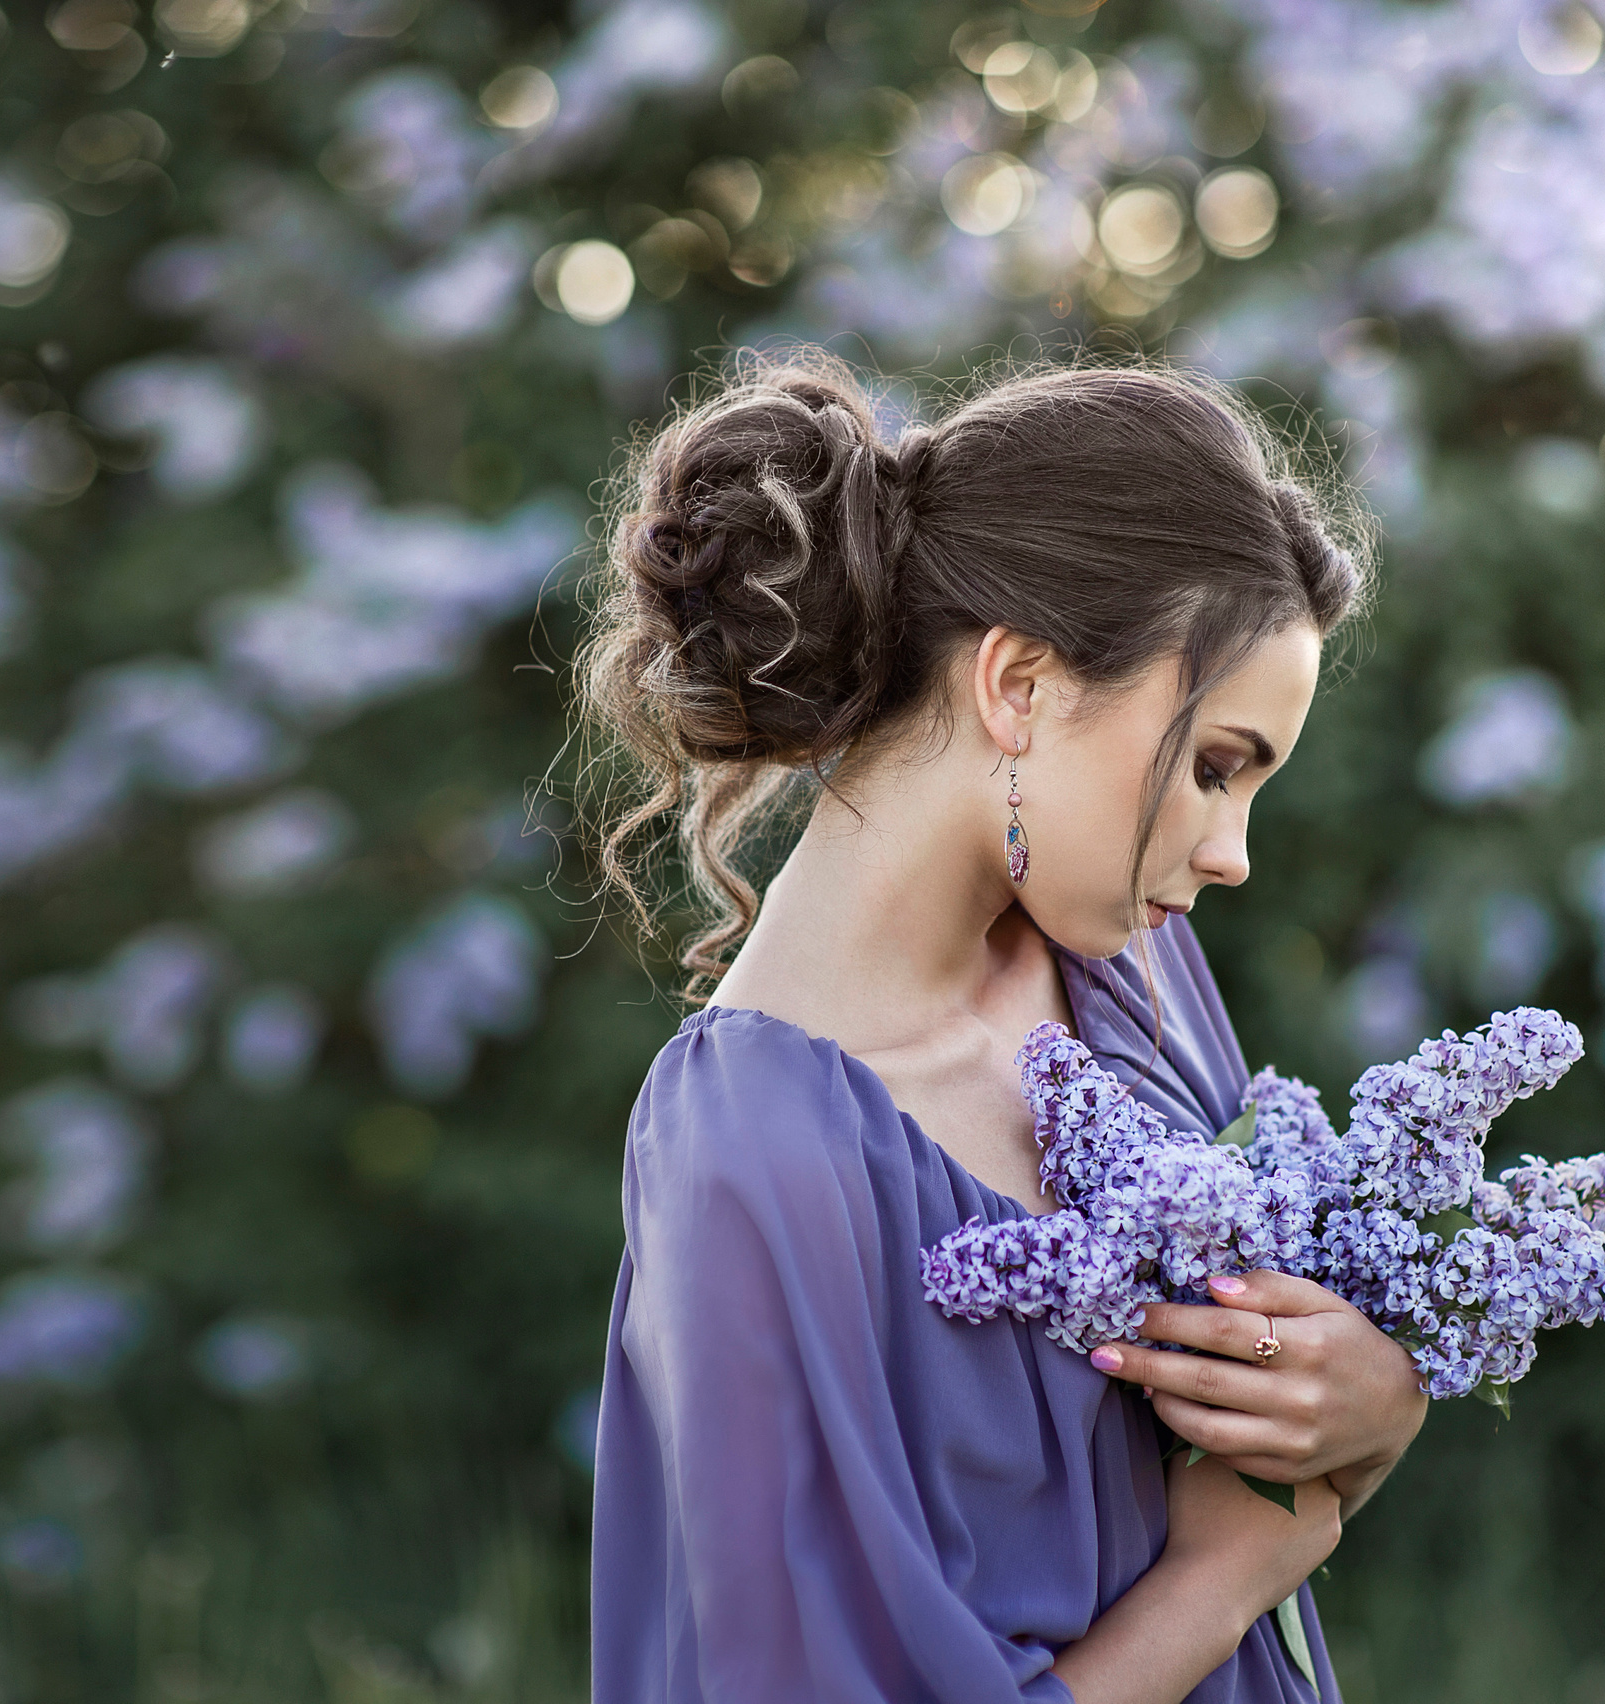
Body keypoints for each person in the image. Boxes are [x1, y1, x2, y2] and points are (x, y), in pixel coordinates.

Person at [576, 349, 1429, 1703]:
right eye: (1215, 768)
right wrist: (1218, 1583)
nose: (1232, 854)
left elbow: (1259, 1472)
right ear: (1019, 684)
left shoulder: (1131, 981)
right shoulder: (757, 1152)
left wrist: (1374, 1403)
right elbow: (1232, 1552)